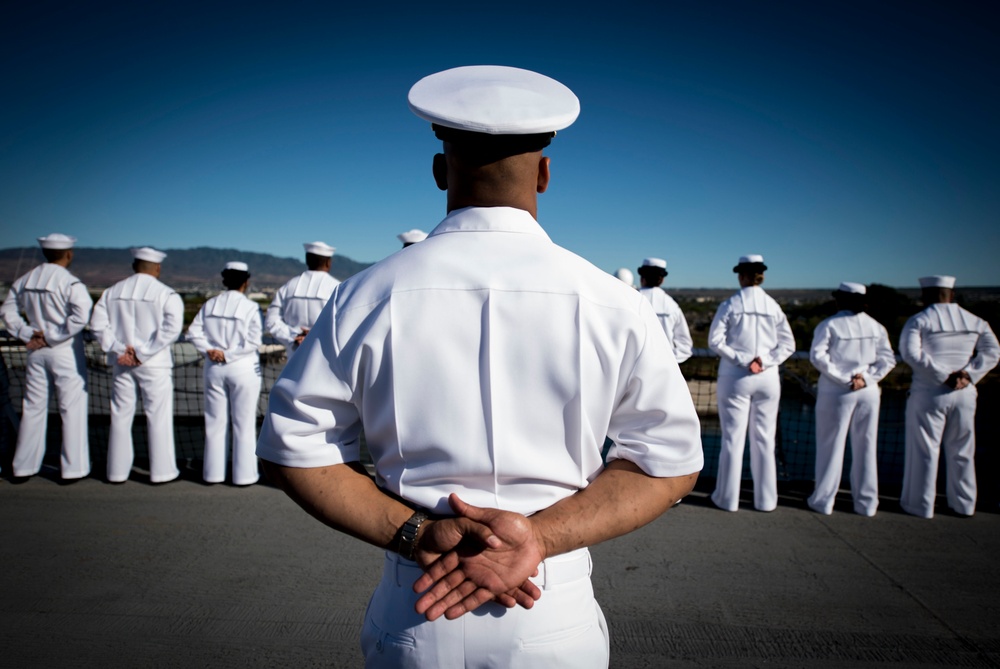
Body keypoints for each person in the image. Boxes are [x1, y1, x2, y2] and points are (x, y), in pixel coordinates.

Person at [256, 65, 703, 669]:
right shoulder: (614, 302)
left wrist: (417, 533)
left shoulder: (363, 297)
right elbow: (669, 464)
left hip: (418, 600)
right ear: (544, 174)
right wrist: (536, 538)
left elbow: (291, 452)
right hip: (549, 602)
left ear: (440, 170)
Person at [899, 275, 999, 518]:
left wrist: (943, 375)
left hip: (929, 393)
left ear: (925, 295)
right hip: (965, 393)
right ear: (952, 294)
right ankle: (964, 504)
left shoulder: (919, 320)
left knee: (925, 450)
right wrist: (969, 374)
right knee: (963, 450)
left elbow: (911, 354)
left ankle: (920, 505)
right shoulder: (976, 321)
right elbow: (993, 352)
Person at [1, 233, 93, 480]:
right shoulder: (71, 283)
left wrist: (26, 333)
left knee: (33, 407)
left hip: (35, 351)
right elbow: (81, 316)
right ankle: (73, 469)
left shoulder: (25, 280)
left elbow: (8, 310)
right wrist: (52, 336)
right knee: (71, 409)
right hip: (65, 352)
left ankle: (24, 467)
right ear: (69, 254)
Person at [708, 254, 795, 512]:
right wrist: (764, 361)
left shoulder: (730, 304)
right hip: (767, 379)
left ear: (742, 275)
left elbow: (715, 341)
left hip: (736, 377)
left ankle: (727, 498)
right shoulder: (773, 306)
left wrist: (743, 359)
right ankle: (766, 500)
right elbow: (788, 344)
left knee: (733, 439)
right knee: (765, 440)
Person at [90, 247, 183, 483]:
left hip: (122, 364)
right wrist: (142, 352)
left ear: (134, 266)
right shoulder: (166, 294)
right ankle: (162, 472)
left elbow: (97, 326)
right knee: (158, 417)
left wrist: (120, 349)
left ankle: (116, 472)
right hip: (155, 364)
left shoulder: (111, 292)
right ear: (158, 268)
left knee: (120, 416)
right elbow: (172, 329)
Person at [807, 282, 896, 516]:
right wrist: (865, 379)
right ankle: (866, 503)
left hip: (836, 392)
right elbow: (888, 360)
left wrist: (845, 378)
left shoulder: (829, 325)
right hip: (868, 392)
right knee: (867, 446)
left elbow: (818, 357)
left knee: (830, 446)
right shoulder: (876, 327)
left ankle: (823, 501)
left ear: (840, 300)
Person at [186, 262, 263, 486]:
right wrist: (228, 354)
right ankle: (244, 476)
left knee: (214, 423)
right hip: (243, 369)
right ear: (246, 282)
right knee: (244, 424)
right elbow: (254, 341)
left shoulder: (210, 304)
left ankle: (213, 474)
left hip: (213, 368)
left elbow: (193, 333)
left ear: (224, 280)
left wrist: (210, 350)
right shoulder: (250, 307)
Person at [265, 241, 339, 359]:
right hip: (324, 358)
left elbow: (271, 321)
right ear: (328, 262)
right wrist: (315, 335)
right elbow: (342, 323)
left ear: (307, 260)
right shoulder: (337, 288)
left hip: (294, 357)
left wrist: (293, 336)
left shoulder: (288, 287)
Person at [637, 257, 692, 364]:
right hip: (665, 369)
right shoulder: (672, 306)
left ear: (642, 277)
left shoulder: (629, 300)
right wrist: (667, 361)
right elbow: (685, 346)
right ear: (662, 279)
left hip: (633, 368)